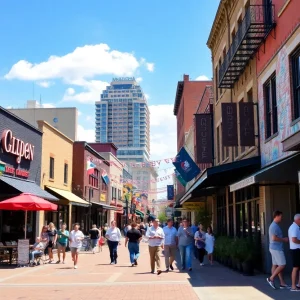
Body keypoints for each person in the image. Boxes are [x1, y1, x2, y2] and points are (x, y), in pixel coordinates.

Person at [267, 211, 290, 290]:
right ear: (276, 216)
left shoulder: (274, 225)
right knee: (282, 264)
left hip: (273, 248)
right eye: (280, 216)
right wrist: (284, 239)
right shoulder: (274, 226)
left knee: (275, 265)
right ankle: (271, 278)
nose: (281, 218)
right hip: (277, 248)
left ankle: (282, 283)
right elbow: (274, 238)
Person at [288, 214, 300, 292]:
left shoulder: (294, 227)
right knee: (295, 268)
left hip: (296, 249)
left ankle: (298, 285)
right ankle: (293, 286)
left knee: (298, 267)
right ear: (298, 219)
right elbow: (294, 239)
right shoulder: (294, 228)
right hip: (296, 250)